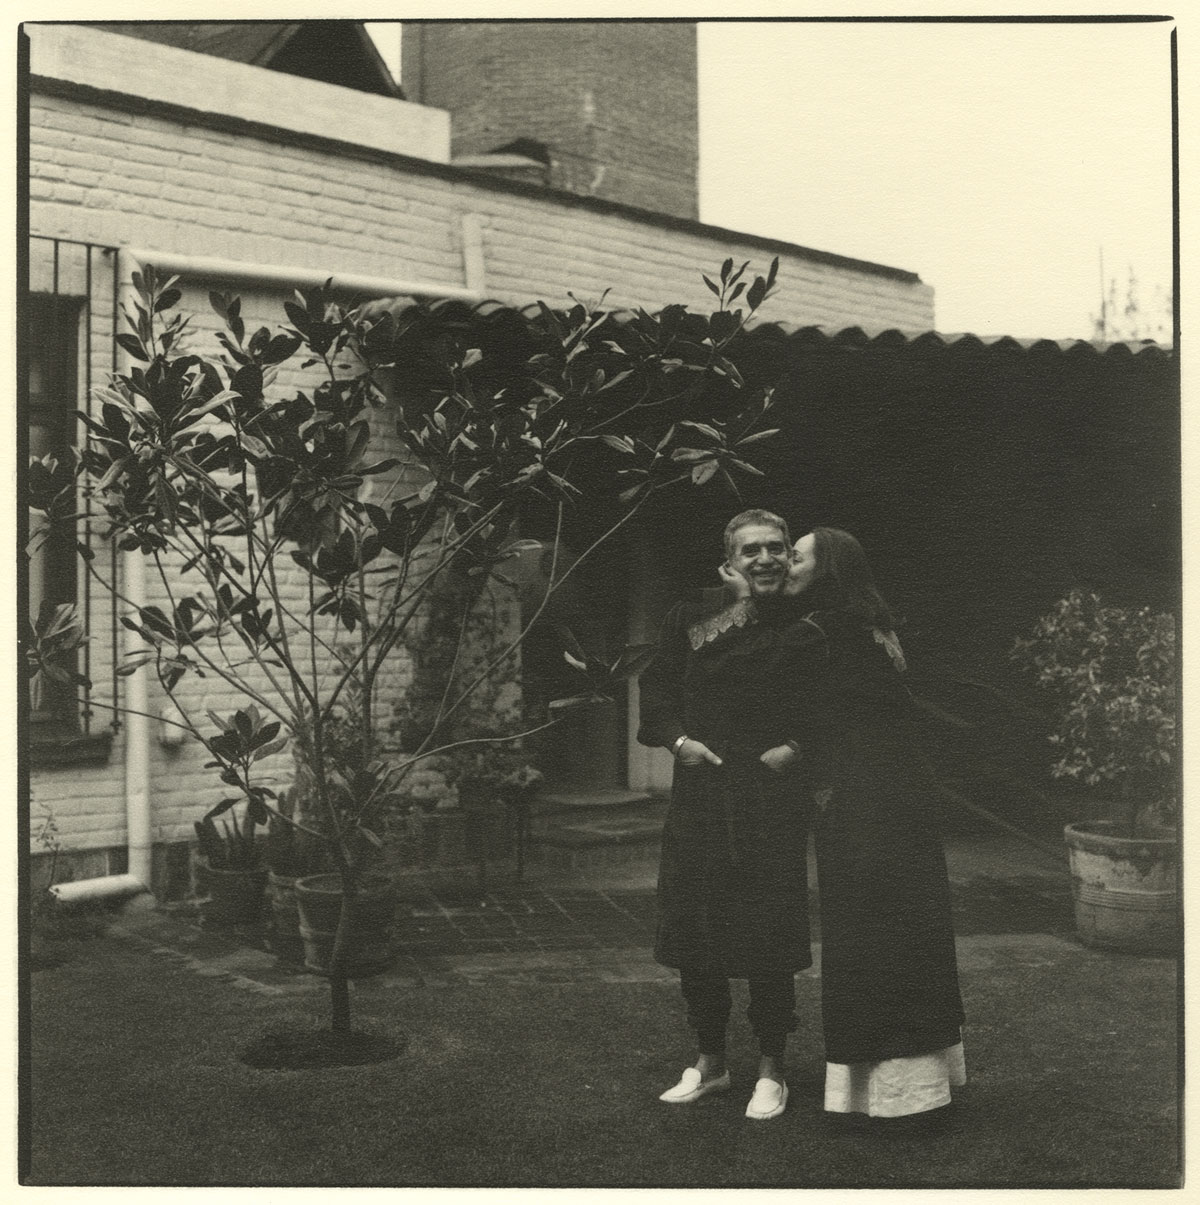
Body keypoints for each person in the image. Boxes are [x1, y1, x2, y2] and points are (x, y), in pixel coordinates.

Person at [719, 526, 966, 1124]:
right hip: (902, 798)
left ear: (824, 569)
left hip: (864, 803)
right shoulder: (871, 626)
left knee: (869, 936)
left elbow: (756, 677)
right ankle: (923, 1087)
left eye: (796, 556)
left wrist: (743, 604)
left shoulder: (821, 632)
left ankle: (892, 1097)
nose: (787, 564)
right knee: (907, 935)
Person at [637, 509, 814, 1122]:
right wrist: (679, 743)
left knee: (769, 934)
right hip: (703, 794)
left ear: (790, 555)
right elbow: (659, 691)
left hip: (770, 796)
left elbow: (830, 705)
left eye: (776, 548)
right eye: (751, 551)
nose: (765, 560)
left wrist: (797, 747)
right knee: (696, 933)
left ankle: (771, 1069)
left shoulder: (804, 620)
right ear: (729, 561)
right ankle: (711, 1063)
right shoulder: (691, 613)